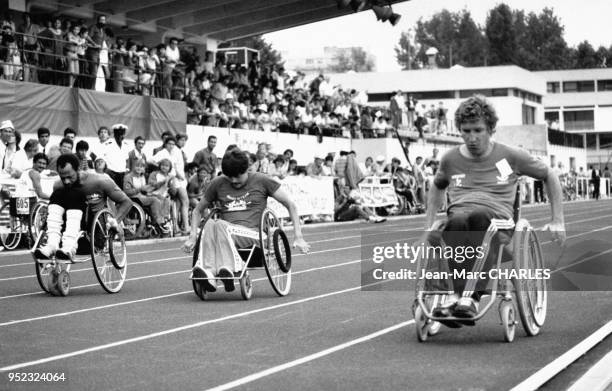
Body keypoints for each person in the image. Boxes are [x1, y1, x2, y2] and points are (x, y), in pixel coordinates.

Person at [424, 95, 565, 320]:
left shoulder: (511, 156)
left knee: (480, 218)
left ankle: (471, 297)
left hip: (498, 221)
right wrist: (429, 222)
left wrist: (558, 219)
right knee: (457, 221)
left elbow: (549, 175)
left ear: (491, 129)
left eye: (478, 130)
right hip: (459, 217)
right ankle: (455, 296)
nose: (471, 137)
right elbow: (437, 185)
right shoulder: (450, 159)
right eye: (466, 130)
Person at [182, 149, 310, 293]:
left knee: (220, 225)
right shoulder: (218, 183)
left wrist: (298, 237)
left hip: (256, 235)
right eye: (229, 177)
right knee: (210, 223)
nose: (234, 181)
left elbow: (290, 205)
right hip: (224, 233)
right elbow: (197, 210)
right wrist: (193, 236)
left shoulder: (262, 180)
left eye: (237, 176)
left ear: (246, 169)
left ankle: (234, 267)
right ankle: (210, 272)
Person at [34, 153, 132, 260]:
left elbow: (126, 202)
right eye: (63, 178)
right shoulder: (58, 185)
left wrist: (115, 221)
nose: (66, 181)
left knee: (76, 193)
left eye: (70, 177)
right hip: (64, 236)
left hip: (92, 238)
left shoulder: (100, 181)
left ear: (78, 169)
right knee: (58, 193)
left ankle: (70, 245)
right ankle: (52, 244)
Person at [123, 159, 168, 234]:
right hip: (133, 198)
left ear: (144, 169)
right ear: (133, 166)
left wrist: (148, 190)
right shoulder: (128, 177)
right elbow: (127, 192)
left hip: (142, 196)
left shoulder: (142, 177)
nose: (139, 168)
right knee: (154, 200)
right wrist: (140, 189)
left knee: (160, 198)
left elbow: (144, 190)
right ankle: (159, 222)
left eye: (141, 167)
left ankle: (160, 220)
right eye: (137, 166)